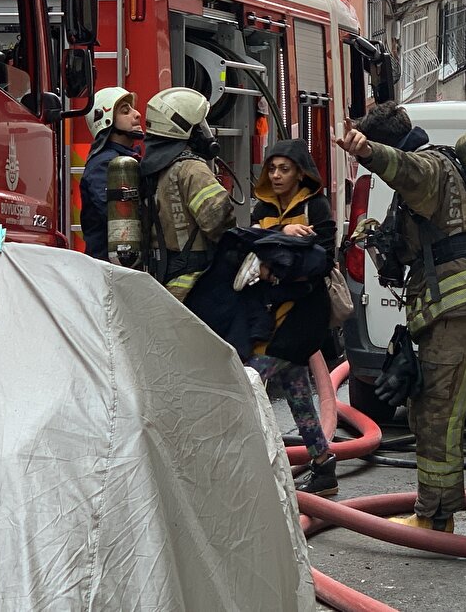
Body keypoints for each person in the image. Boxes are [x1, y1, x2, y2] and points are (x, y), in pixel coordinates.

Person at [335, 102, 466, 539]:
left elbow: (405, 169)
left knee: (436, 413)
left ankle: (434, 516)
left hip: (455, 309)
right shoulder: (452, 168)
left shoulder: (428, 168)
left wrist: (367, 152)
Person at [248, 139, 339, 496]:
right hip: (270, 313)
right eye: (272, 169)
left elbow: (323, 257)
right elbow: (247, 245)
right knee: (298, 392)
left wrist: (274, 259)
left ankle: (249, 467)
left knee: (250, 381)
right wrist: (282, 234)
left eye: (284, 169)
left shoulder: (315, 207)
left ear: (300, 172)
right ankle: (323, 465)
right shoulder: (262, 209)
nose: (276, 175)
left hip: (303, 314)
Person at [138, 87, 235, 302]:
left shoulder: (151, 168)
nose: (205, 131)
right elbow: (218, 221)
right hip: (196, 284)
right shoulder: (192, 169)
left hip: (162, 281)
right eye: (200, 125)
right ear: (182, 127)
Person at [79, 87, 143, 259]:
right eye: (125, 111)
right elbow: (120, 216)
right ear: (106, 121)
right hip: (110, 271)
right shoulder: (104, 165)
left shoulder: (128, 159)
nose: (137, 114)